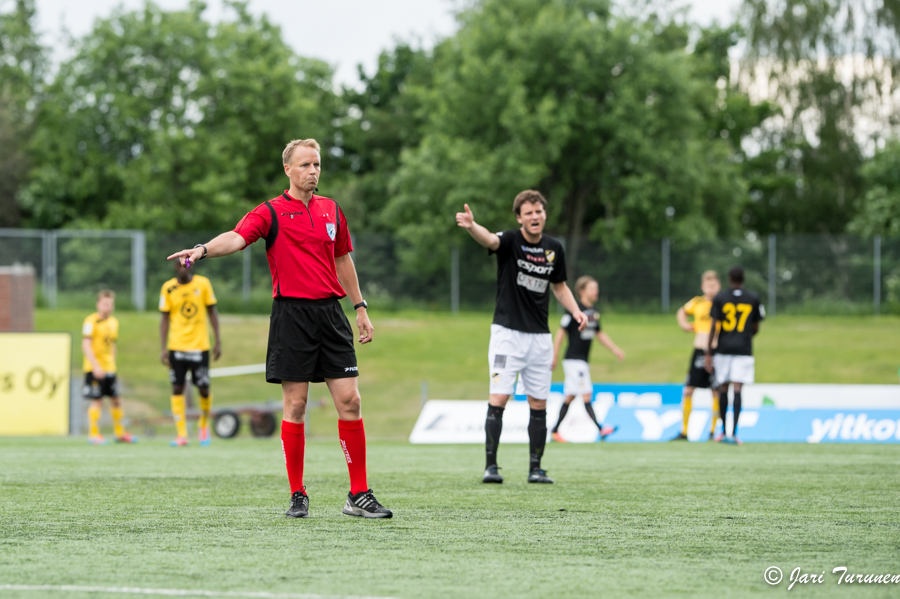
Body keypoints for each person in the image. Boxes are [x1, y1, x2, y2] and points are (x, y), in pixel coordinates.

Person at [168, 138, 391, 519]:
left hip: (331, 315)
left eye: (317, 164)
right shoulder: (270, 212)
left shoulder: (332, 210)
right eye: (305, 165)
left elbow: (343, 260)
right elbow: (236, 239)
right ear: (288, 169)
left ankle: (358, 494)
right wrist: (202, 249)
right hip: (291, 317)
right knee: (296, 404)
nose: (313, 171)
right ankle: (297, 494)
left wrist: (360, 307)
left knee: (350, 401)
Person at [456, 190, 587, 485]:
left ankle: (535, 469)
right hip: (507, 335)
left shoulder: (554, 248)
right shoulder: (511, 241)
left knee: (538, 402)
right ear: (519, 218)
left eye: (538, 211)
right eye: (528, 213)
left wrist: (577, 311)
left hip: (540, 338)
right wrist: (472, 225)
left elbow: (560, 287)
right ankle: (491, 467)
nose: (534, 217)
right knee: (499, 397)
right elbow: (490, 239)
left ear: (544, 215)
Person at [550, 275, 623, 443]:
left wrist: (614, 349)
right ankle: (601, 428)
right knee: (586, 394)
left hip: (582, 360)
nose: (596, 291)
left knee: (570, 396)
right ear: (582, 291)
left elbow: (599, 333)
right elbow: (561, 333)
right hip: (574, 360)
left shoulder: (594, 312)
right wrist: (554, 355)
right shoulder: (574, 310)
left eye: (596, 288)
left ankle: (554, 432)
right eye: (592, 289)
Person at [159, 260, 221, 447]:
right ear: (174, 268)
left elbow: (212, 312)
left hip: (199, 346)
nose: (182, 269)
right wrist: (163, 348)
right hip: (177, 346)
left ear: (191, 266)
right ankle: (182, 434)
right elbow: (164, 318)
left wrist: (217, 340)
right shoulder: (168, 288)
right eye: (179, 266)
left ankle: (203, 424)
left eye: (186, 265)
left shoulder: (203, 284)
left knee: (203, 388)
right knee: (177, 387)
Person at [705, 266, 765, 445]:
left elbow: (714, 326)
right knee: (738, 389)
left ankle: (723, 432)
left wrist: (709, 353)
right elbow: (756, 326)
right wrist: (745, 336)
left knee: (723, 388)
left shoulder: (721, 297)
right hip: (743, 349)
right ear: (743, 279)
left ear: (729, 279)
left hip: (723, 348)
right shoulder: (753, 298)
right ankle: (735, 433)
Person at [81, 290, 136, 445]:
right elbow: (86, 345)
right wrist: (96, 366)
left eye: (110, 304)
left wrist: (112, 362)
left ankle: (119, 433)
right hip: (94, 368)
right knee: (97, 400)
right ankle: (93, 434)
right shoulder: (91, 321)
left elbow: (112, 345)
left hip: (109, 368)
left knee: (116, 399)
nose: (108, 307)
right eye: (105, 304)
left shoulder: (114, 322)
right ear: (98, 304)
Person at [672, 270, 721, 441]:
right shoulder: (697, 302)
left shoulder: (722, 303)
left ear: (719, 286)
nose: (711, 289)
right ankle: (684, 431)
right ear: (702, 286)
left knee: (716, 392)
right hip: (699, 349)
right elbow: (682, 311)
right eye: (708, 286)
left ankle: (714, 431)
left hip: (715, 351)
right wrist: (684, 324)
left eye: (714, 286)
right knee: (688, 390)